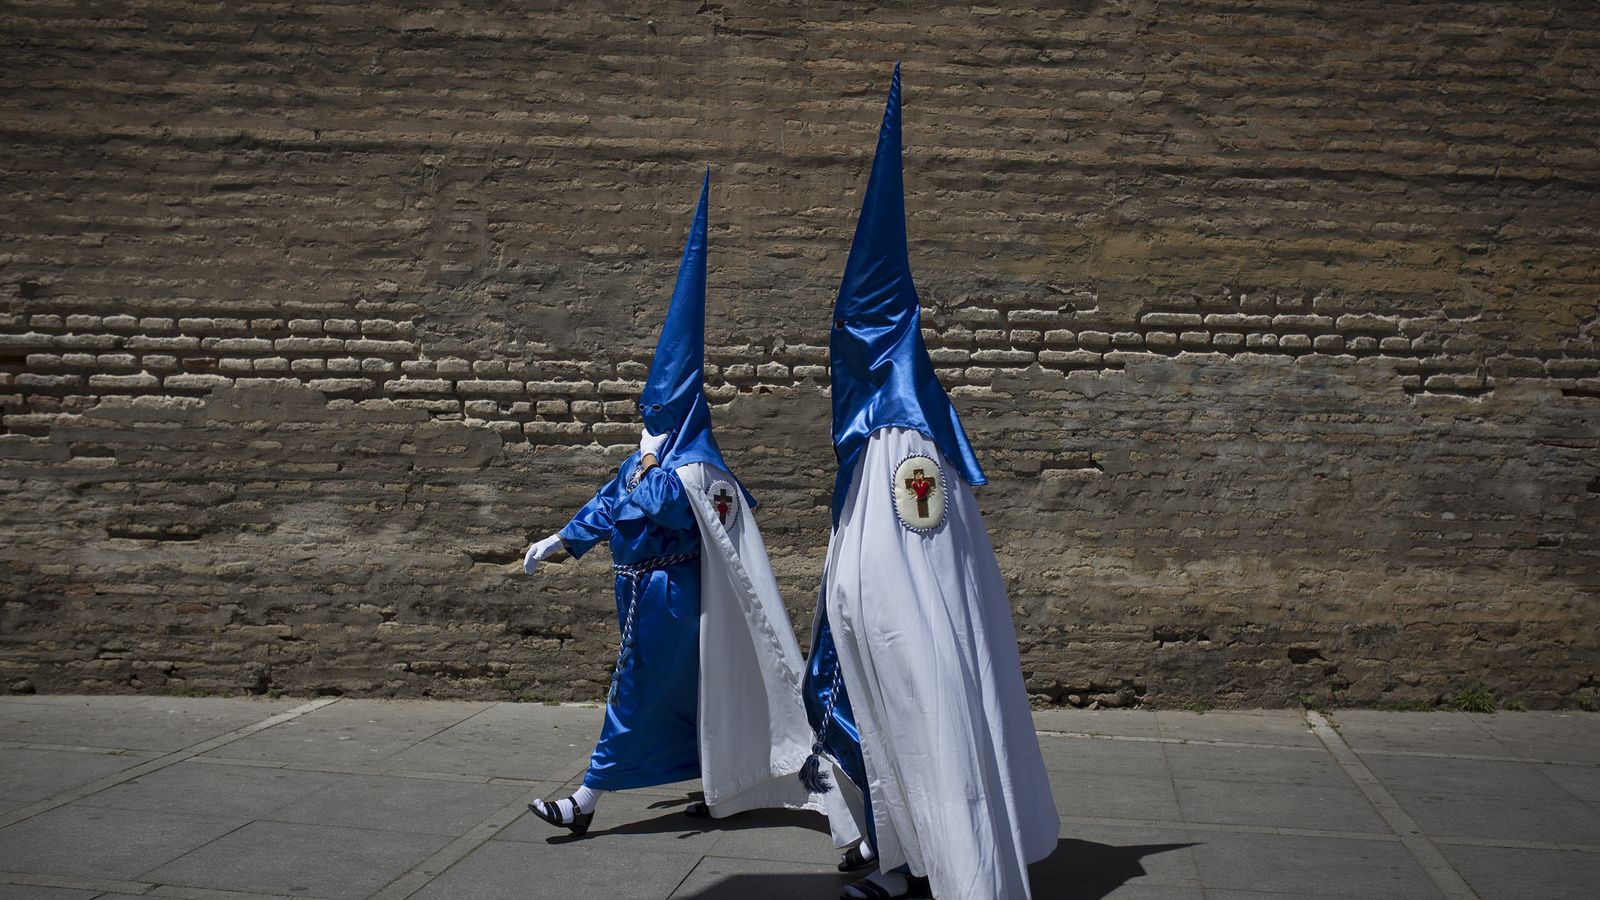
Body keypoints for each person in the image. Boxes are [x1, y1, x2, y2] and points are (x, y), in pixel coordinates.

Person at [523, 173, 859, 850]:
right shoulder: (650, 460)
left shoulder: (695, 472)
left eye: (658, 411)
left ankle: (586, 800)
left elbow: (637, 507)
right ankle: (724, 786)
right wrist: (559, 539)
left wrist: (639, 476)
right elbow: (608, 501)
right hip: (640, 590)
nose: (646, 421)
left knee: (635, 691)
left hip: (671, 597)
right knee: (697, 697)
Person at [801, 66, 1061, 900]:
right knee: (890, 736)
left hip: (912, 649)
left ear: (871, 349)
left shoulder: (908, 441)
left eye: (843, 340)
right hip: (876, 645)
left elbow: (922, 570)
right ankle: (908, 861)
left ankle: (966, 873)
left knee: (930, 729)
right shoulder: (877, 436)